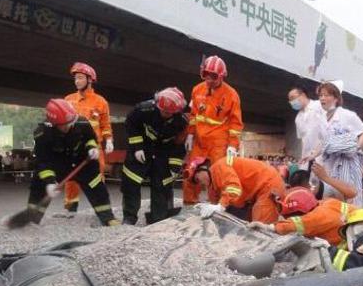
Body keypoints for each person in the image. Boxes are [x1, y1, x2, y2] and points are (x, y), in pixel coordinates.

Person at [28, 99, 115, 226]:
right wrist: (50, 182)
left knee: (96, 185)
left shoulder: (81, 122)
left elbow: (91, 139)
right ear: (54, 124)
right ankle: (31, 220)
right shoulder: (42, 133)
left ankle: (107, 218)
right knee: (39, 183)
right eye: (66, 124)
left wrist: (92, 148)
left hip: (82, 162)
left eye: (72, 122)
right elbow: (43, 161)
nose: (70, 125)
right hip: (57, 165)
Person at [183, 55, 243, 207]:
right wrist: (190, 133)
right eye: (205, 75)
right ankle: (189, 204)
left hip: (219, 143)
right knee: (190, 173)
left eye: (213, 77)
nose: (209, 80)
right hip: (200, 141)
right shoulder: (197, 90)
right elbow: (193, 115)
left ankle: (215, 207)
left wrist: (232, 145)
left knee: (217, 175)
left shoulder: (232, 95)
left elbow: (236, 123)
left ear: (222, 76)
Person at [122, 87, 188, 225]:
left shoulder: (181, 121)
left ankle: (158, 219)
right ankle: (129, 217)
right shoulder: (143, 109)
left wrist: (175, 167)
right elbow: (130, 124)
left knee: (161, 185)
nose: (166, 114)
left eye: (170, 113)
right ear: (158, 105)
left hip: (162, 152)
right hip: (142, 148)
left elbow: (178, 145)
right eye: (163, 111)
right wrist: (137, 147)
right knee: (131, 182)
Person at [63, 62, 113, 216]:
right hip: (73, 147)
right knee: (71, 179)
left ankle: (103, 211)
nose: (76, 81)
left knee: (98, 178)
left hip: (94, 148)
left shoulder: (101, 101)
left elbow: (105, 125)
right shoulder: (68, 99)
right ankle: (71, 209)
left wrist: (109, 140)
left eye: (80, 78)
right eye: (75, 78)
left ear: (89, 80)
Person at [186, 151, 286, 224]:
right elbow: (215, 205)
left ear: (202, 169)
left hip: (269, 184)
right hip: (256, 192)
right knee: (249, 227)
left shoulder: (219, 167)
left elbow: (234, 187)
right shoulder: (212, 186)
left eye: (197, 179)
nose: (199, 183)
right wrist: (209, 207)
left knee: (260, 227)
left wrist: (220, 206)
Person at [314, 82, 363, 204]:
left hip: (346, 164)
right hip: (328, 165)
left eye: (326, 95)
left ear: (336, 98)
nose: (322, 98)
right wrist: (312, 155)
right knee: (330, 203)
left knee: (349, 200)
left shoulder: (347, 115)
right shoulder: (321, 119)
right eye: (321, 95)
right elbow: (323, 143)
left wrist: (354, 149)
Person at [274, 186, 349, 244]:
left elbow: (284, 228)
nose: (288, 219)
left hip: (353, 251)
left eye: (289, 217)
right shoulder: (326, 203)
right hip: (355, 235)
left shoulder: (316, 218)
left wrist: (270, 226)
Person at [288, 85, 328, 169]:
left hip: (324, 154)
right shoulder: (298, 118)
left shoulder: (319, 105)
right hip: (308, 158)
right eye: (290, 100)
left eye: (293, 98)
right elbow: (303, 140)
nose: (291, 102)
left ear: (303, 95)